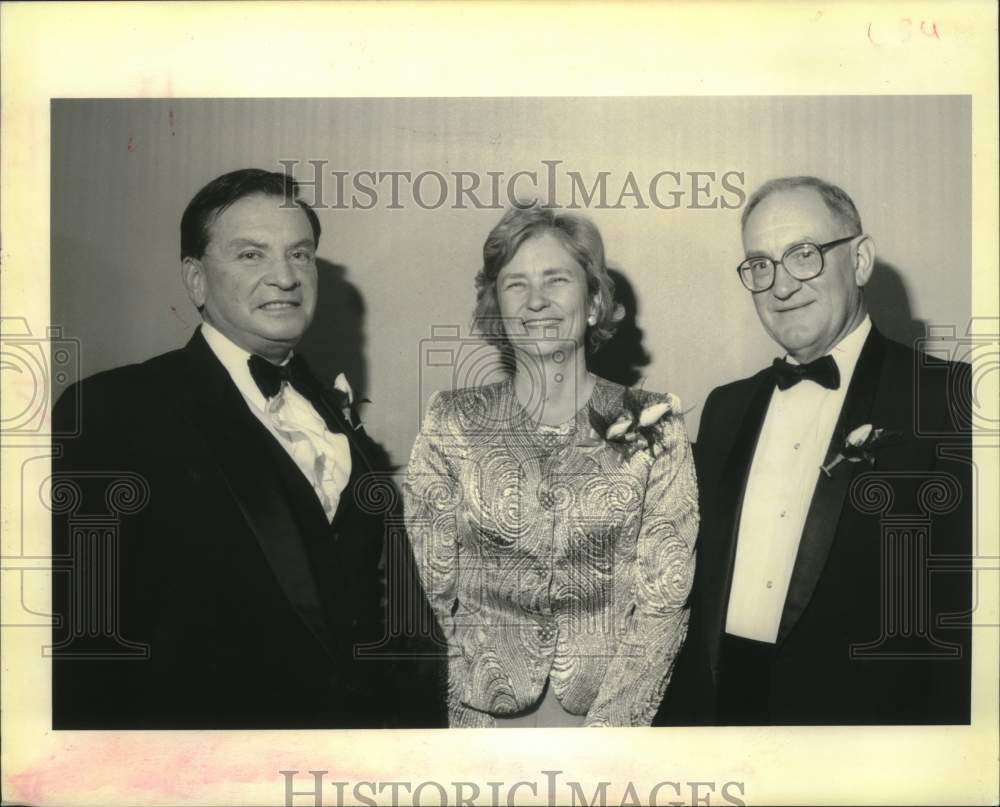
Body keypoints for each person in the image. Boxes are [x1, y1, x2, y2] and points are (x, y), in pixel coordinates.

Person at [51, 168, 423, 728]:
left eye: (300, 255)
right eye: (251, 255)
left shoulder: (331, 415)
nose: (285, 277)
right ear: (196, 280)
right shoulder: (111, 410)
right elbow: (82, 646)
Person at [657, 176, 972, 726]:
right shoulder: (725, 408)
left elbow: (970, 618)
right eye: (760, 265)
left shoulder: (948, 399)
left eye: (804, 255)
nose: (781, 286)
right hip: (723, 718)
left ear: (861, 260)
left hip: (865, 732)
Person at [403, 203, 698, 727]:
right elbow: (427, 589)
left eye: (556, 280)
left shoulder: (654, 422)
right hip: (477, 716)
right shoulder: (451, 421)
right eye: (516, 284)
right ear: (497, 306)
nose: (536, 300)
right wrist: (459, 715)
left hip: (608, 718)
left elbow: (663, 602)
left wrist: (608, 737)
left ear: (593, 302)